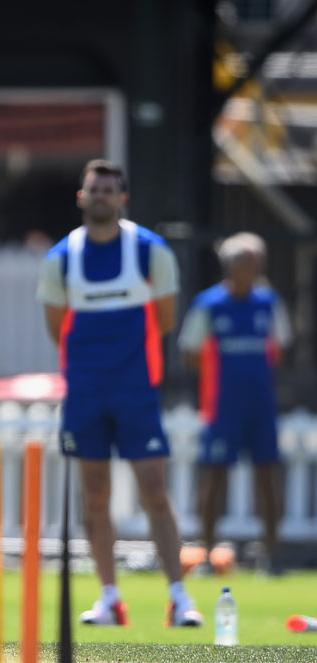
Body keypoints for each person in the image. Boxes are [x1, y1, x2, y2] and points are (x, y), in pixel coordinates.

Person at [36, 159, 203, 627]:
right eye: (95, 189)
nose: (102, 196)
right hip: (85, 392)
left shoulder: (151, 252)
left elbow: (166, 321)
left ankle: (179, 596)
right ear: (82, 197)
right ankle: (110, 598)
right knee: (95, 494)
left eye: (110, 189)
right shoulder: (61, 258)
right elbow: (57, 330)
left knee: (155, 490)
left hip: (136, 391)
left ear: (122, 198)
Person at [177, 232, 291, 574]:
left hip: (261, 404)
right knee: (213, 476)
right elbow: (190, 351)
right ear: (231, 266)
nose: (256, 268)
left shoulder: (270, 303)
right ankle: (208, 554)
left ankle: (270, 555)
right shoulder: (209, 305)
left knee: (268, 474)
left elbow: (279, 348)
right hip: (222, 405)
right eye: (249, 262)